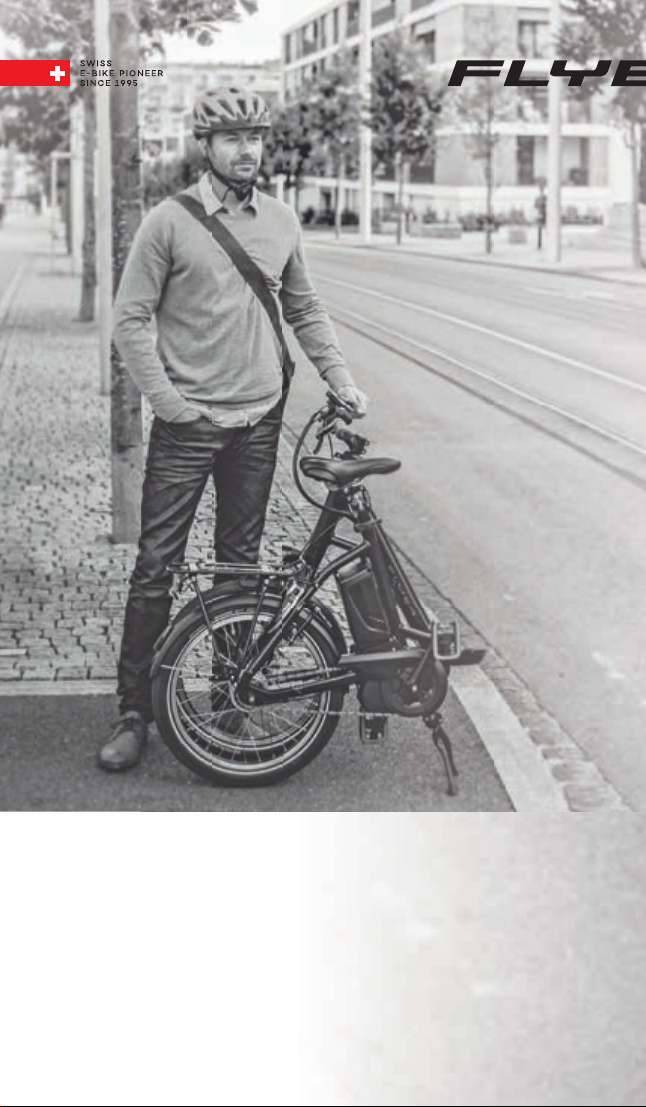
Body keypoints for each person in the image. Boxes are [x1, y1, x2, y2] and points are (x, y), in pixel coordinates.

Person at [99, 85, 367, 771]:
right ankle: (133, 713)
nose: (247, 149)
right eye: (232, 138)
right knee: (156, 567)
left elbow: (304, 308)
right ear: (207, 146)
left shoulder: (280, 221)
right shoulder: (168, 222)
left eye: (255, 137)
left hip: (258, 423)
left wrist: (339, 379)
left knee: (239, 568)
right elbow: (128, 320)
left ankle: (227, 698)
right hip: (188, 425)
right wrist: (170, 404)